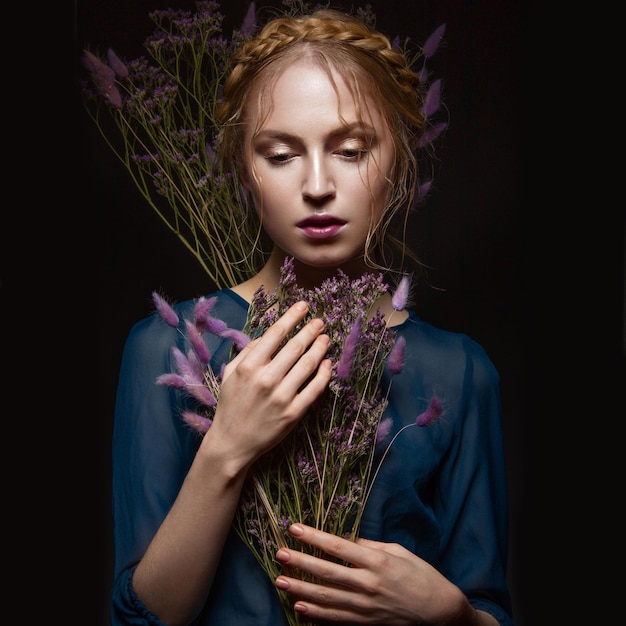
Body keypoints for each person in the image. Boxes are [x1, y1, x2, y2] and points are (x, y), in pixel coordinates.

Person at [106, 6, 515, 625]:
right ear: (246, 168)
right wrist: (227, 448)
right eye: (281, 154)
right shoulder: (168, 347)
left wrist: (448, 612)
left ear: (397, 163)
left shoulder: (458, 371)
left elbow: (490, 610)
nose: (318, 184)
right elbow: (142, 618)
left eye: (350, 150)